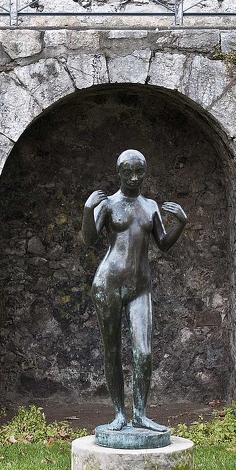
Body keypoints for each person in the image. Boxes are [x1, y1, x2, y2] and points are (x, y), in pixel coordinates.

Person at [82, 149, 187, 432]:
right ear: (118, 173)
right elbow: (89, 241)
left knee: (144, 352)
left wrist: (182, 223)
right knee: (112, 350)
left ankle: (139, 414)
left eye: (138, 171)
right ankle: (119, 414)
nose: (133, 177)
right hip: (108, 284)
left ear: (145, 172)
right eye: (127, 172)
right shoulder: (108, 205)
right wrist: (87, 209)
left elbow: (163, 244)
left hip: (141, 286)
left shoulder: (150, 206)